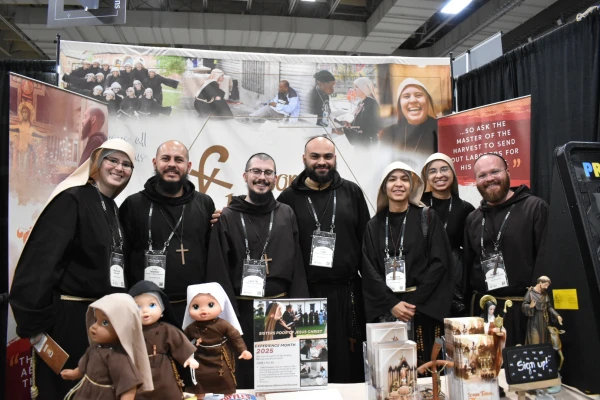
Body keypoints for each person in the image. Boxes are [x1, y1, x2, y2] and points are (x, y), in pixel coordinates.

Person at [9, 139, 136, 399]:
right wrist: (37, 326)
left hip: (101, 322)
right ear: (97, 162)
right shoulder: (72, 199)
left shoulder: (111, 207)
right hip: (68, 322)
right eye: (112, 160)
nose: (119, 168)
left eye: (127, 164)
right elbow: (40, 263)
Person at [206, 152, 309, 388]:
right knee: (244, 378)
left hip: (280, 311)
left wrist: (298, 311)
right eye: (256, 171)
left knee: (280, 380)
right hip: (242, 311)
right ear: (245, 176)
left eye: (268, 172)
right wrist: (228, 318)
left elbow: (297, 266)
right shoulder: (229, 216)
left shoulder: (286, 213)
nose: (262, 177)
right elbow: (218, 269)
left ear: (275, 178)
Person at [278, 136, 370, 383]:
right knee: (312, 368)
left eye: (327, 157)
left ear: (335, 159)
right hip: (307, 295)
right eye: (315, 156)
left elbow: (366, 245)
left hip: (348, 293)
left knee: (350, 366)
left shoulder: (352, 192)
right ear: (304, 159)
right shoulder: (287, 198)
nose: (322, 162)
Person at [361, 161, 453, 367]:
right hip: (387, 311)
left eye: (404, 179)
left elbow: (439, 263)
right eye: (392, 179)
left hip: (422, 309)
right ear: (384, 187)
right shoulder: (373, 225)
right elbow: (369, 270)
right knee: (392, 372)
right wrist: (392, 304)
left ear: (412, 185)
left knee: (424, 370)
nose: (398, 184)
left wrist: (412, 304)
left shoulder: (427, 217)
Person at [120, 140, 214, 326]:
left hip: (195, 309)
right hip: (147, 310)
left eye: (178, 159)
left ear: (188, 166)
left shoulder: (204, 204)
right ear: (155, 163)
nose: (172, 164)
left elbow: (213, 255)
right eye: (166, 158)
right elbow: (123, 256)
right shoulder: (133, 204)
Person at [464, 153, 549, 346]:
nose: (489, 178)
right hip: (484, 312)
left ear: (507, 172)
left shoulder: (535, 208)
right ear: (476, 181)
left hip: (524, 312)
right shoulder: (473, 219)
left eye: (495, 171)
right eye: (482, 175)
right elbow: (470, 267)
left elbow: (546, 260)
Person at [420, 153, 475, 316]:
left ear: (452, 173)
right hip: (421, 278)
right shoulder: (416, 205)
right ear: (426, 177)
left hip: (453, 279)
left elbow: (468, 253)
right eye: (432, 171)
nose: (439, 175)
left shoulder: (466, 208)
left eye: (444, 169)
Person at [379, 78, 438, 167]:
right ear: (400, 104)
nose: (413, 100)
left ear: (427, 101)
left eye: (418, 95)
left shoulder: (441, 129)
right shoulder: (388, 133)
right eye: (406, 96)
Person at [522, 276, 563, 344]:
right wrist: (530, 306)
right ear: (540, 282)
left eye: (548, 286)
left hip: (544, 321)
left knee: (544, 340)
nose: (546, 287)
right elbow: (523, 305)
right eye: (545, 285)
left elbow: (549, 307)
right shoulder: (530, 293)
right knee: (535, 341)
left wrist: (557, 315)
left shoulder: (545, 294)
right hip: (534, 320)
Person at [342, 77, 382, 146]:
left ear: (364, 88)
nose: (354, 89)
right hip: (360, 141)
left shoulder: (372, 103)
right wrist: (350, 123)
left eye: (357, 87)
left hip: (368, 142)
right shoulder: (361, 102)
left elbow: (372, 124)